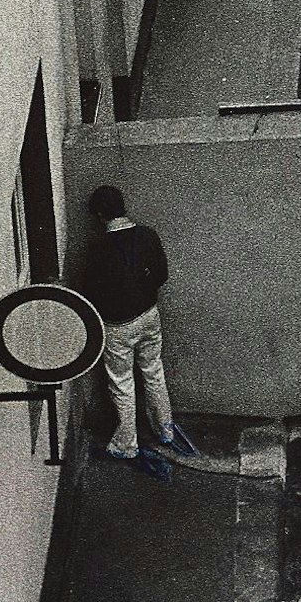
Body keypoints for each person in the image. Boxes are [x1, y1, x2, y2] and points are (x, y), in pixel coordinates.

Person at [82, 185, 199, 467]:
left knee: (122, 383)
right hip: (149, 314)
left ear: (99, 215)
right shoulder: (147, 235)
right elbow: (161, 275)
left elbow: (90, 289)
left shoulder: (98, 247)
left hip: (117, 325)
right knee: (153, 371)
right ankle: (165, 430)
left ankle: (127, 444)